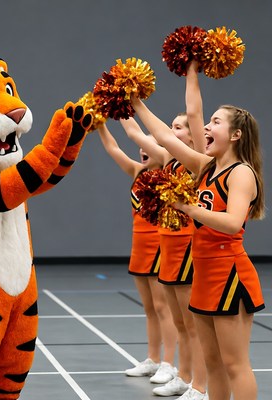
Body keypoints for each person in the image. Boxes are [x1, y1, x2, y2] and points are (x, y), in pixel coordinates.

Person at [131, 69, 265, 400]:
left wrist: (189, 209)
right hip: (204, 271)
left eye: (216, 122)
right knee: (214, 363)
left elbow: (234, 223)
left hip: (230, 272)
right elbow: (166, 136)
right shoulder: (206, 166)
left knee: (236, 364)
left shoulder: (241, 173)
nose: (206, 126)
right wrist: (135, 102)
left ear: (235, 135)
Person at [120, 62, 208, 400]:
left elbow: (189, 116)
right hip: (168, 248)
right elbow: (141, 134)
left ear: (190, 135)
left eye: (178, 128)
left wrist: (191, 73)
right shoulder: (168, 161)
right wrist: (120, 103)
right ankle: (184, 376)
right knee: (183, 322)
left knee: (193, 322)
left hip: (187, 246)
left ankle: (196, 384)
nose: (171, 132)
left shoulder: (195, 159)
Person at [97, 122, 178, 384]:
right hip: (139, 249)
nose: (142, 150)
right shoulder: (136, 172)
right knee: (149, 309)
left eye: (148, 144)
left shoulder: (169, 174)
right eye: (141, 146)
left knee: (163, 307)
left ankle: (169, 363)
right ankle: (153, 359)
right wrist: (100, 126)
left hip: (159, 248)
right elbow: (113, 148)